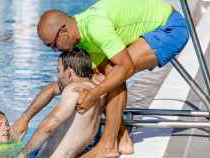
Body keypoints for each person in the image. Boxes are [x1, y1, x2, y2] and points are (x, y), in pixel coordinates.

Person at [24, 0, 189, 157]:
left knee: (114, 74)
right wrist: (25, 119)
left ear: (64, 31)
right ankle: (122, 138)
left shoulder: (95, 27)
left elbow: (125, 68)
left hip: (169, 28)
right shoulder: (82, 39)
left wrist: (93, 94)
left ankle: (108, 145)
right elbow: (64, 85)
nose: (54, 50)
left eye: (52, 44)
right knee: (99, 77)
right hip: (153, 30)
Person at [17, 48, 105, 158]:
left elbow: (49, 126)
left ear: (69, 72)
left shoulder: (73, 89)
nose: (58, 77)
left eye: (59, 71)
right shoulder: (99, 93)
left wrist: (23, 153)